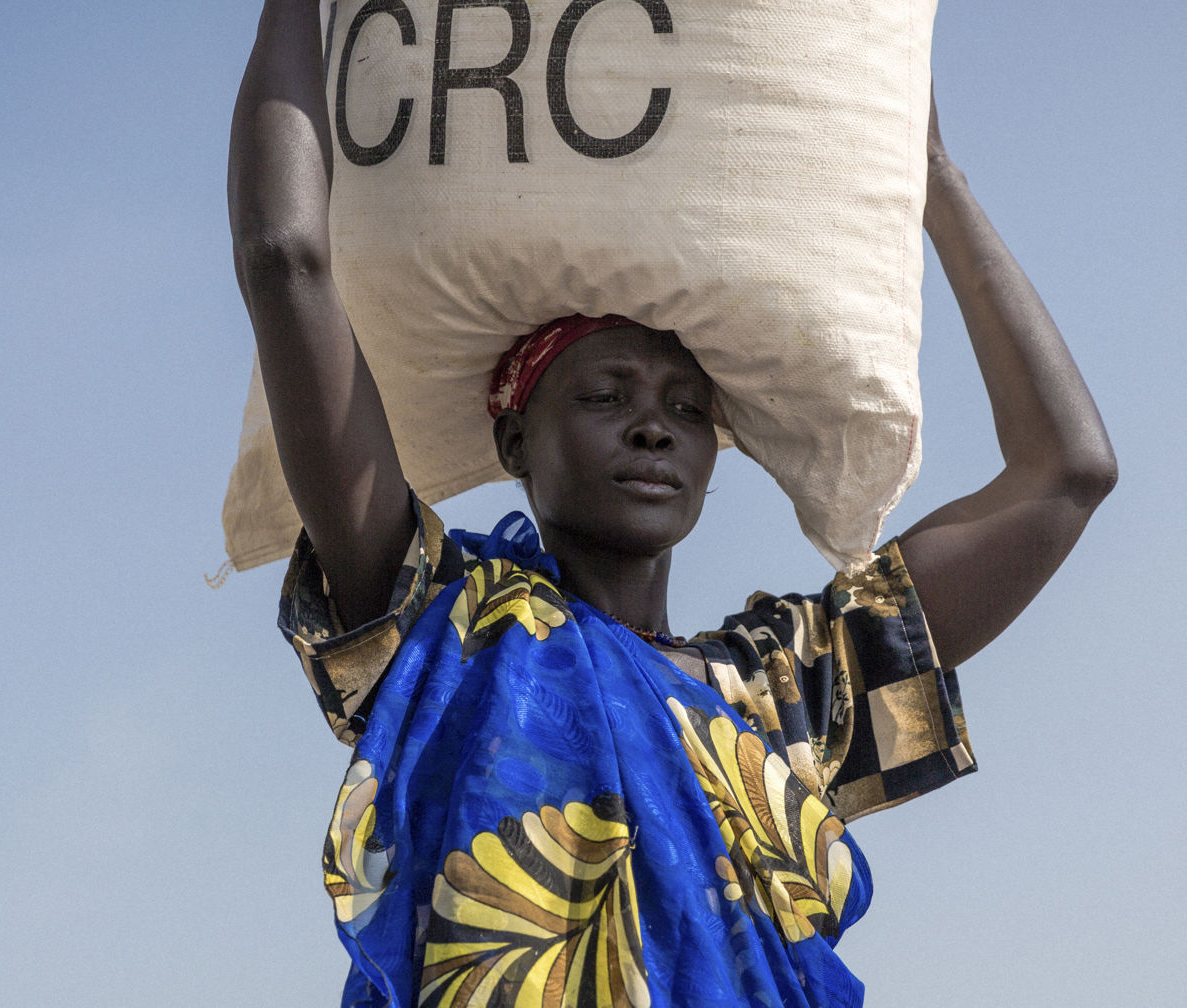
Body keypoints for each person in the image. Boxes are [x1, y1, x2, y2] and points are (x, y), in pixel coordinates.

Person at [230, 2, 1117, 1005]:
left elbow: (1067, 473)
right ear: (515, 437)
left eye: (688, 410)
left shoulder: (787, 691)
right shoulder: (439, 628)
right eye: (606, 398)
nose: (655, 429)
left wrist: (936, 178)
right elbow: (284, 261)